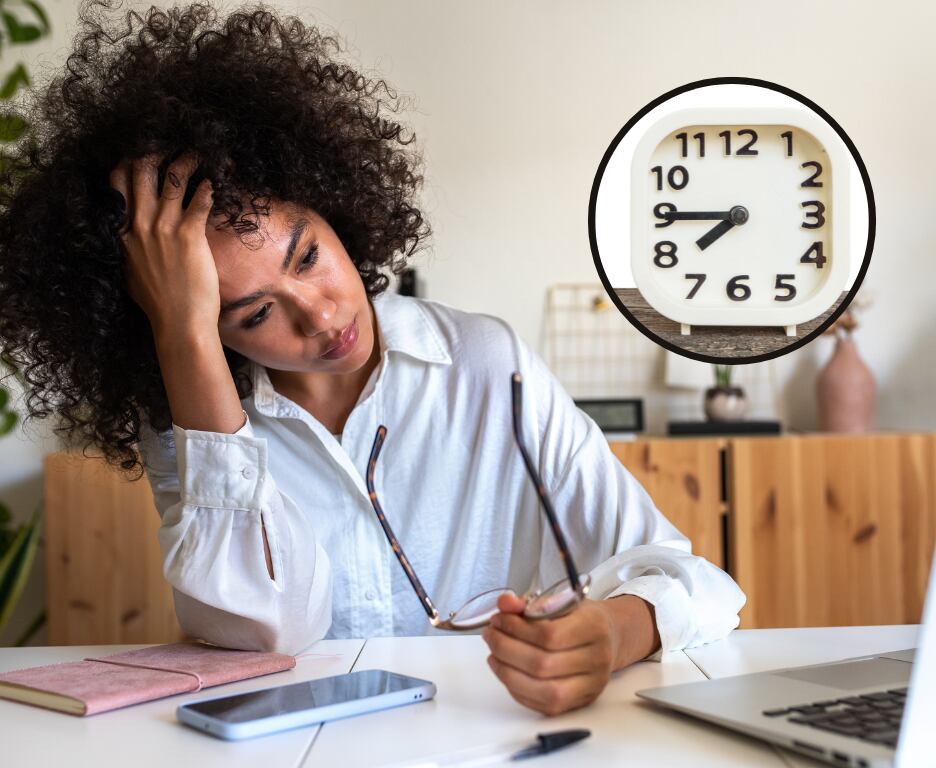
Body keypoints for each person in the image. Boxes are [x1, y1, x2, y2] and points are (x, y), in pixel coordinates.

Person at [0, 0, 744, 715]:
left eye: (310, 255)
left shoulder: (484, 365)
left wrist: (613, 634)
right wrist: (183, 335)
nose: (321, 315)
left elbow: (691, 578)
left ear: (332, 202)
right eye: (255, 313)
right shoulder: (191, 420)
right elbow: (266, 629)